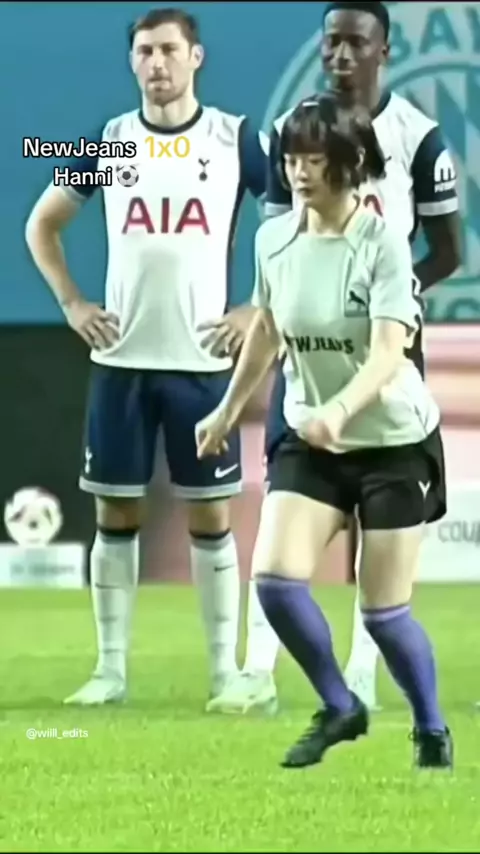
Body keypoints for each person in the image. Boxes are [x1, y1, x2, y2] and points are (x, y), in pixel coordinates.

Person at [201, 0, 461, 714]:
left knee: (377, 522)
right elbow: (279, 245)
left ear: (384, 50)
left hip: (382, 346)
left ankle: (366, 673)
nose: (341, 56)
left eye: (356, 43)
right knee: (286, 499)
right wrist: (260, 316)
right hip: (307, 348)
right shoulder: (294, 130)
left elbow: (447, 250)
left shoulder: (418, 137)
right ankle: (257, 669)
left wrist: (392, 297)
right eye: (331, 43)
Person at [24, 7, 274, 709]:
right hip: (123, 363)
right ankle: (109, 672)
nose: (156, 63)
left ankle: (224, 673)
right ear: (132, 62)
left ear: (196, 57)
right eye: (144, 51)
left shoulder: (233, 139)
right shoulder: (111, 144)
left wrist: (256, 306)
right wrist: (73, 303)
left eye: (168, 49)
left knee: (211, 519)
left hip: (203, 363)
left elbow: (293, 222)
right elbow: (41, 224)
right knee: (116, 515)